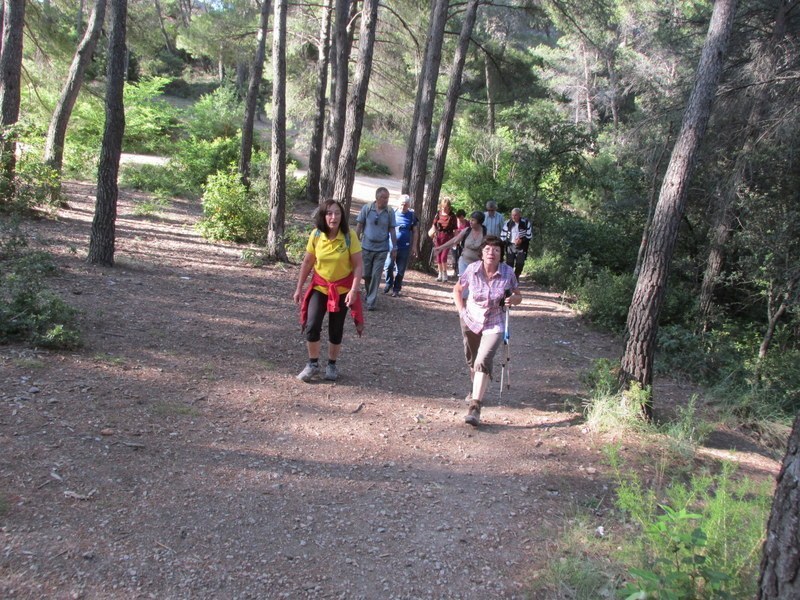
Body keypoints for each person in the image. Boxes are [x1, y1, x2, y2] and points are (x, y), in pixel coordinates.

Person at [452, 235, 522, 426]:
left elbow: (518, 295)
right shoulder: (472, 269)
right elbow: (457, 289)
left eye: (496, 250)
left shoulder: (508, 272)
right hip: (471, 318)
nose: (492, 253)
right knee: (473, 360)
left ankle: (475, 407)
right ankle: (476, 386)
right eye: (488, 249)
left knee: (483, 359)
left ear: (501, 254)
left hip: (495, 320)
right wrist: (461, 312)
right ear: (482, 253)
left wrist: (513, 300)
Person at [294, 199, 364, 383]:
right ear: (323, 216)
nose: (334, 217)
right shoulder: (316, 235)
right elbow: (308, 262)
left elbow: (358, 266)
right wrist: (299, 288)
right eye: (329, 213)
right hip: (320, 287)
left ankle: (331, 365)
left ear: (342, 215)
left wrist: (354, 290)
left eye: (337, 213)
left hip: (342, 290)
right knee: (312, 324)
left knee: (336, 328)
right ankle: (312, 364)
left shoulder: (350, 236)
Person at [356, 187, 397, 310]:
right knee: (366, 275)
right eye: (384, 197)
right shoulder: (367, 209)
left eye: (387, 198)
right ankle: (369, 294)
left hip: (381, 249)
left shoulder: (390, 212)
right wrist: (354, 242)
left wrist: (394, 247)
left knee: (376, 275)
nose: (386, 200)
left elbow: (392, 230)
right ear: (377, 198)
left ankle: (371, 302)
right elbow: (359, 225)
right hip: (366, 247)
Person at [383, 194, 419, 297]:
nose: (403, 206)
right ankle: (388, 284)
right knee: (388, 266)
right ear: (399, 204)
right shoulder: (392, 213)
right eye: (402, 204)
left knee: (400, 269)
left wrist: (414, 246)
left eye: (406, 205)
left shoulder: (411, 216)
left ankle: (396, 288)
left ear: (409, 205)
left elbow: (415, 232)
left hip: (405, 246)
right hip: (391, 245)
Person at [433, 210, 486, 276]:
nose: (470, 222)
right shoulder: (467, 230)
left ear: (479, 222)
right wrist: (441, 247)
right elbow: (454, 240)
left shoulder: (485, 234)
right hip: (464, 262)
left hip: (478, 265)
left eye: (473, 220)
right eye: (470, 220)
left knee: (474, 285)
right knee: (463, 284)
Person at [500, 208, 533, 278]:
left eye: (515, 215)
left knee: (520, 263)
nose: (513, 217)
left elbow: (529, 236)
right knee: (509, 263)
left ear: (520, 215)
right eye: (512, 215)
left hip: (522, 246)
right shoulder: (508, 223)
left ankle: (516, 276)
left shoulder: (526, 223)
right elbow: (503, 235)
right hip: (510, 246)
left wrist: (522, 240)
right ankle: (509, 278)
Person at [432, 197, 457, 282]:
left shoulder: (452, 216)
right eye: (442, 207)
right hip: (438, 237)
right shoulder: (438, 213)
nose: (444, 209)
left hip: (448, 238)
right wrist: (434, 232)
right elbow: (434, 224)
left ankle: (445, 273)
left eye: (446, 207)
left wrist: (455, 241)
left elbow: (455, 229)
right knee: (438, 257)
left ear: (449, 207)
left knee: (443, 257)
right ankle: (440, 274)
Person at [452, 209, 469, 276]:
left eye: (462, 217)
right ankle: (455, 271)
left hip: (463, 243)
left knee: (461, 256)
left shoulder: (467, 223)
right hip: (455, 242)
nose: (460, 219)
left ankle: (461, 271)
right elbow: (452, 231)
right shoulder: (455, 222)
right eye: (459, 217)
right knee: (454, 257)